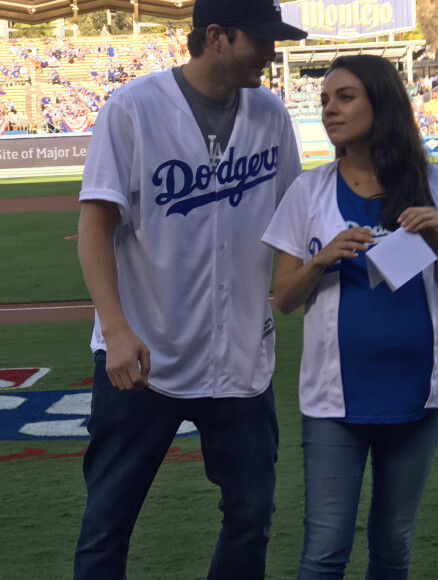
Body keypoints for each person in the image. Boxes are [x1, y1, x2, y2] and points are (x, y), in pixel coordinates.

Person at [72, 0, 307, 578]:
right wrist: (117, 330)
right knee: (107, 524)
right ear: (217, 37)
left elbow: (294, 219)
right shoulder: (133, 109)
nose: (273, 52)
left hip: (240, 360)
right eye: (262, 39)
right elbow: (95, 228)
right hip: (144, 355)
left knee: (251, 515)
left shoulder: (270, 114)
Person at [262, 55, 438, 580]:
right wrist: (320, 257)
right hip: (334, 401)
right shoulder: (308, 192)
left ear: (381, 104)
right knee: (324, 551)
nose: (330, 109)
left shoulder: (436, 185)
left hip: (418, 393)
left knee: (392, 547)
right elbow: (283, 298)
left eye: (345, 97)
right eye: (325, 101)